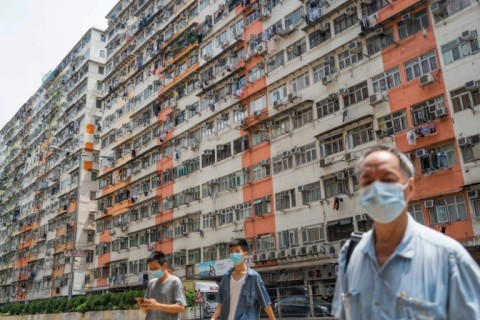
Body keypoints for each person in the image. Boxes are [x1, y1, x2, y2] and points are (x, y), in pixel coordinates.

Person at [332, 144, 480, 319]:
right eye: (368, 182)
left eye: (387, 180)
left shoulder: (449, 257)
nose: (377, 189)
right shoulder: (350, 254)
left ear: (410, 187)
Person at [211, 238, 276, 320]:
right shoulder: (226, 277)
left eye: (237, 251)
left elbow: (265, 303)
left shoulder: (253, 277)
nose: (234, 254)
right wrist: (213, 318)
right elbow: (221, 302)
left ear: (245, 254)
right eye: (231, 251)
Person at [140, 251, 186, 320]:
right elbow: (146, 310)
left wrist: (157, 306)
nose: (153, 271)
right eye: (151, 268)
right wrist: (143, 306)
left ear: (164, 266)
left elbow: (181, 307)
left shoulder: (175, 281)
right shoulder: (151, 283)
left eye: (155, 268)